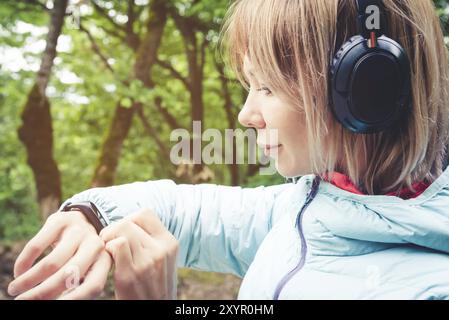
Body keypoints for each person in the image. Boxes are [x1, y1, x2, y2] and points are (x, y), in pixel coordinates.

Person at [8, 0, 449, 300]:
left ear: (367, 87)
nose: (246, 114)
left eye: (266, 87)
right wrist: (91, 215)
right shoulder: (315, 205)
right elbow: (188, 209)